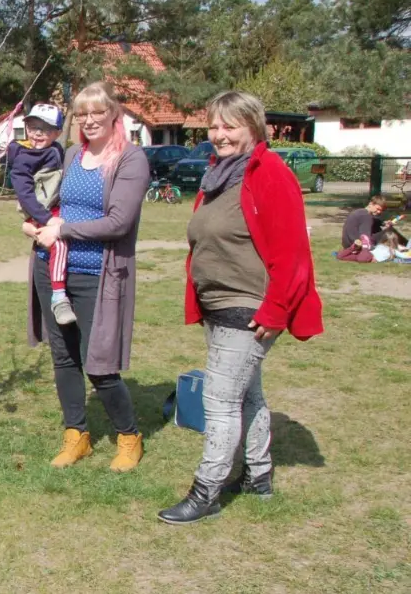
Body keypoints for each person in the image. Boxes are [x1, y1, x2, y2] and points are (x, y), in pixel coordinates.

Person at [158, 91, 323, 525]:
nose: (219, 134)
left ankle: (207, 490)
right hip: (219, 302)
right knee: (247, 394)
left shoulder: (271, 173)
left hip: (246, 306)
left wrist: (275, 310)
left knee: (219, 399)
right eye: (213, 126)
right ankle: (257, 476)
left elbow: (293, 254)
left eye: (229, 126)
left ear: (253, 126)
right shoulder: (220, 173)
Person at [27, 81, 148, 472]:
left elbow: (118, 221)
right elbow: (48, 200)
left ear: (114, 114)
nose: (90, 119)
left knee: (98, 363)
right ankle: (76, 435)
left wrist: (63, 230)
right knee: (63, 357)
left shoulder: (130, 160)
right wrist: (33, 223)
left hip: (98, 275)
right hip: (53, 269)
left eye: (98, 112)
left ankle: (129, 437)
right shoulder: (73, 155)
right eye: (82, 114)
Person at [7, 103, 74, 325]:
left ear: (57, 133)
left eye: (44, 129)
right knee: (60, 243)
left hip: (52, 207)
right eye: (33, 127)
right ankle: (59, 296)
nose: (37, 133)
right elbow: (25, 195)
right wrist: (45, 218)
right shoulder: (25, 158)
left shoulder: (53, 150)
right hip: (40, 210)